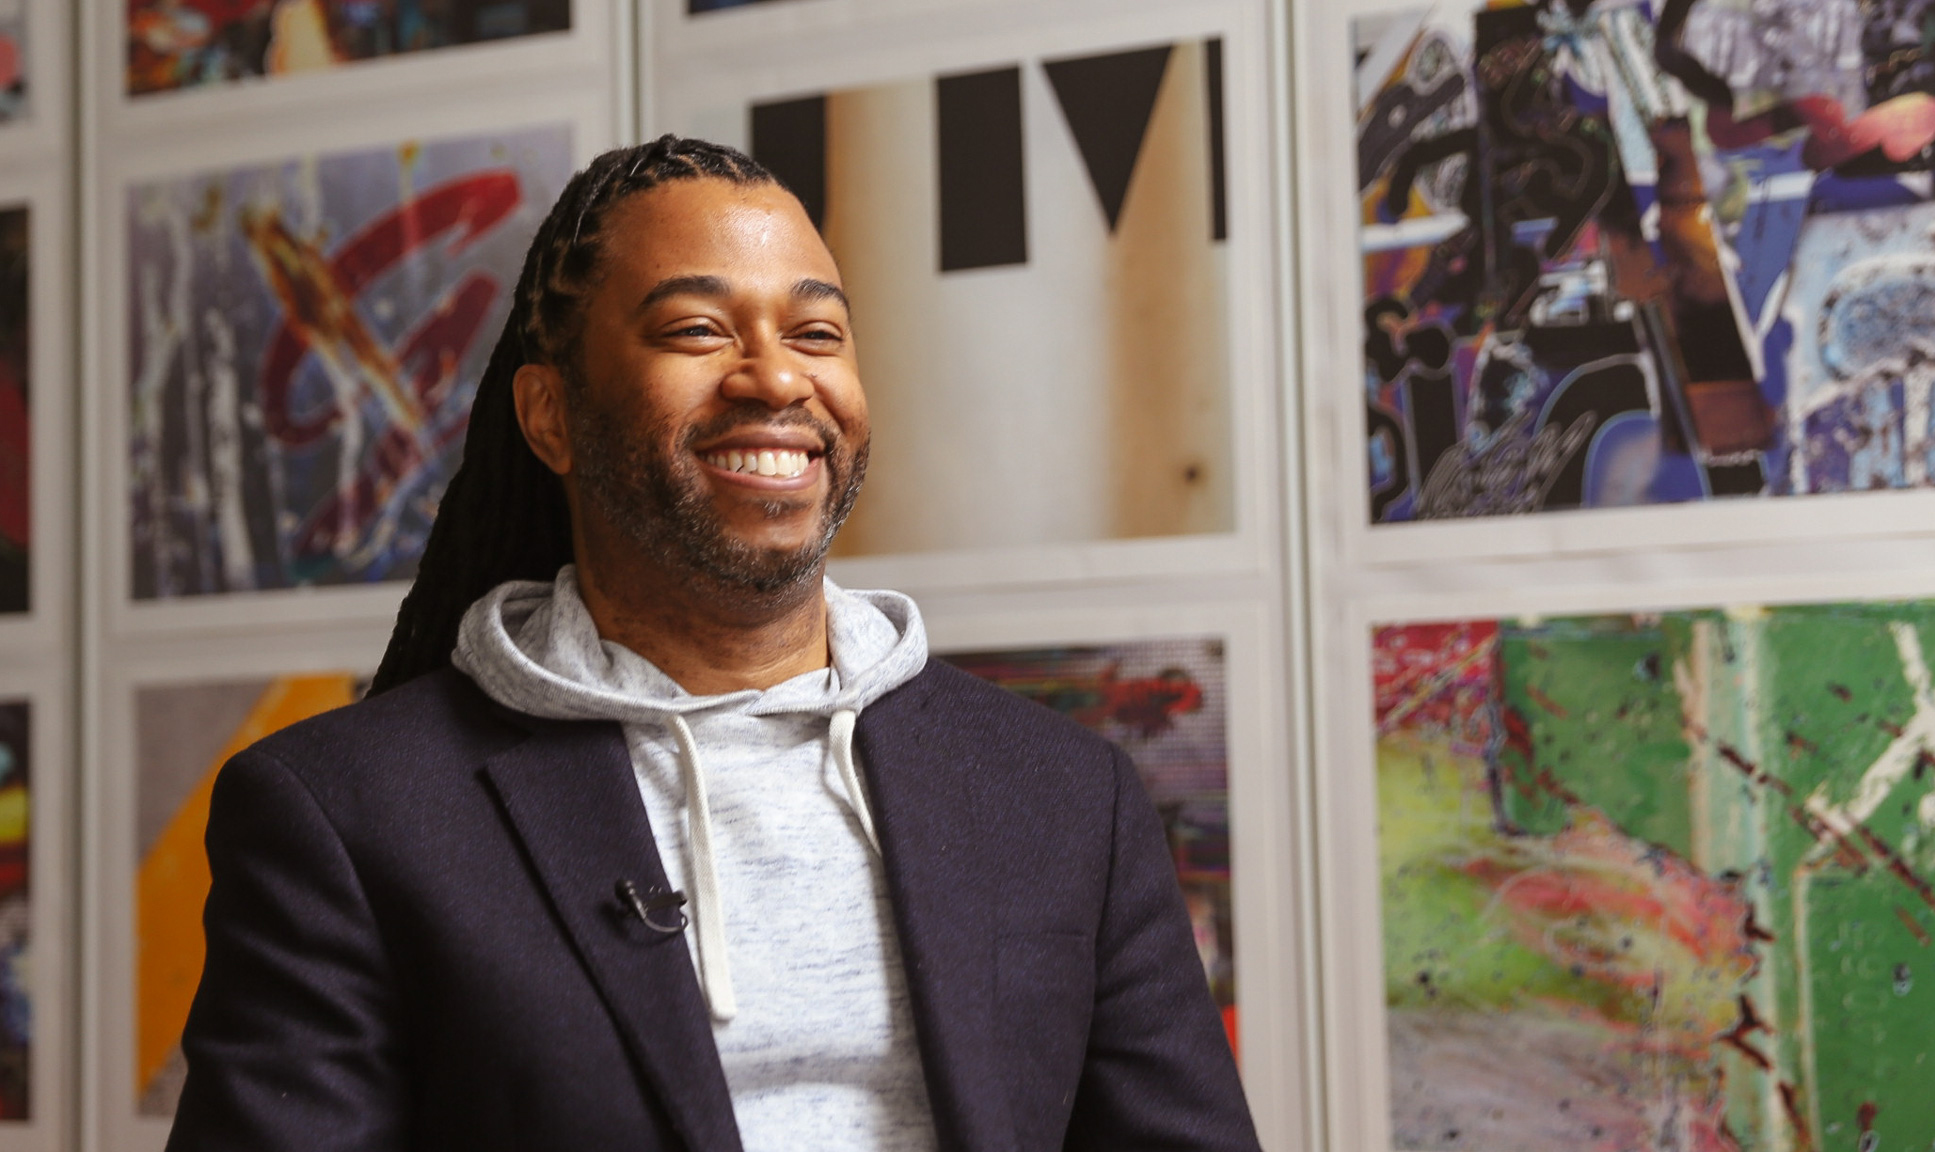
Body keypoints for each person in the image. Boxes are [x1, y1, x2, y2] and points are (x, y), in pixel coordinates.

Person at [165, 136, 1260, 1152]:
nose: (776, 379)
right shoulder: (344, 817)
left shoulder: (1064, 796)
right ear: (549, 416)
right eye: (697, 330)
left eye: (816, 332)